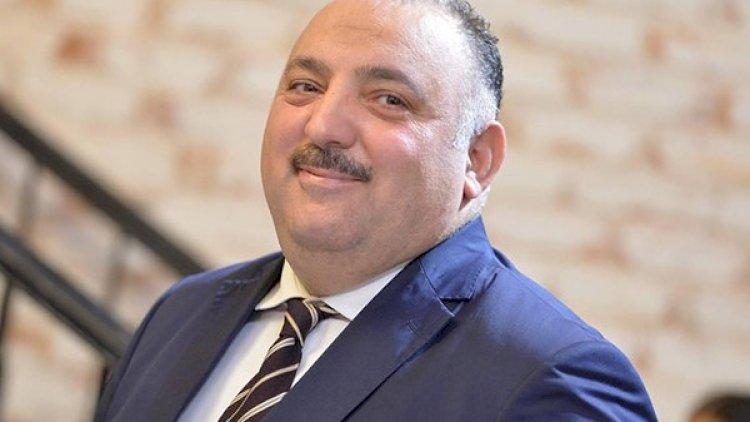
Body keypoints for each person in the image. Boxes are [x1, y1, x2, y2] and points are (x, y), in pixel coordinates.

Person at [96, 0, 657, 420]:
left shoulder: (553, 379)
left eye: (389, 100)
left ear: (477, 160)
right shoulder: (181, 313)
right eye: (305, 85)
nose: (324, 125)